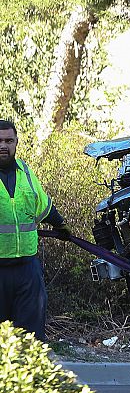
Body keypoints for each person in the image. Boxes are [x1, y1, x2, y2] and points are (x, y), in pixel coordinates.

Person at [0, 119, 69, 341]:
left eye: (9, 141)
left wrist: (61, 225)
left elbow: (43, 205)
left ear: (16, 142)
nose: (3, 146)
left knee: (30, 339)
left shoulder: (26, 173)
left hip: (27, 270)